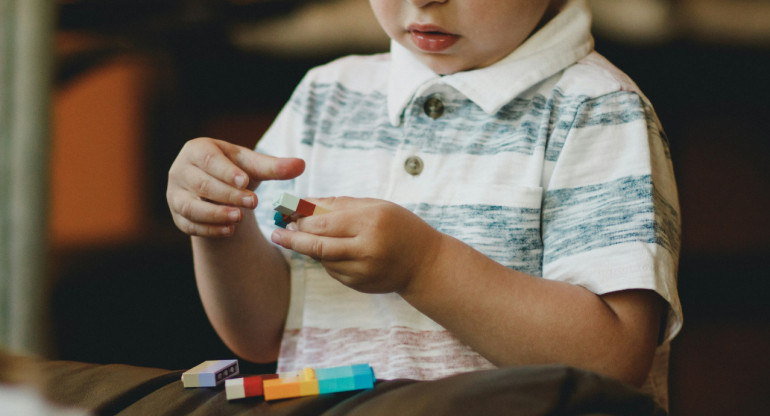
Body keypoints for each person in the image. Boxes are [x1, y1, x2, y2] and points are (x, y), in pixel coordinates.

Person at [166, 0, 682, 409]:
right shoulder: (326, 96)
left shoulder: (597, 109)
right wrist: (220, 223)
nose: (423, 0)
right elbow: (262, 333)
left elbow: (614, 359)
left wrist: (425, 266)